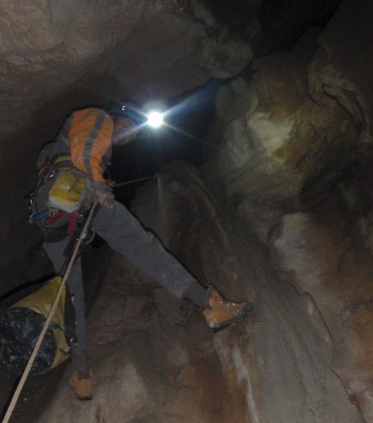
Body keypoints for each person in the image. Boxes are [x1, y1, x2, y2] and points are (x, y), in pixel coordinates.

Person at [34, 102, 252, 400]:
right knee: (142, 247)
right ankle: (212, 306)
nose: (131, 138)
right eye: (132, 129)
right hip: (79, 193)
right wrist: (97, 185)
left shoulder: (80, 141)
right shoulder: (99, 117)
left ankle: (81, 372)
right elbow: (86, 149)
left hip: (52, 212)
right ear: (123, 116)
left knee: (71, 292)